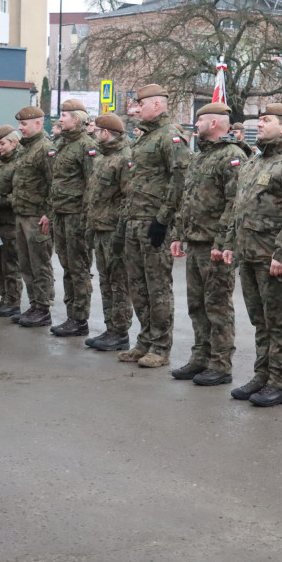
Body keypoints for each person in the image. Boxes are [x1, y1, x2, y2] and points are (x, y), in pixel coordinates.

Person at [224, 103, 282, 406]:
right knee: (260, 320)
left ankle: (279, 382)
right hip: (249, 254)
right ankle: (262, 376)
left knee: (279, 322)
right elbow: (239, 206)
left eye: (266, 120)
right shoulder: (256, 160)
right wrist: (231, 244)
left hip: (272, 256)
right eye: (259, 119)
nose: (259, 124)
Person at [169, 102, 246, 385]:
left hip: (215, 244)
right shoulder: (199, 157)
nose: (195, 125)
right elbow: (186, 200)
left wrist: (223, 241)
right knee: (197, 305)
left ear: (214, 123)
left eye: (199, 121)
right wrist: (178, 235)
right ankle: (200, 358)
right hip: (196, 241)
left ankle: (220, 364)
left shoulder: (232, 156)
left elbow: (234, 202)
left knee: (217, 306)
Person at [116, 84, 190, 368]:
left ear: (157, 105)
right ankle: (144, 341)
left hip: (154, 223)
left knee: (157, 287)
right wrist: (125, 219)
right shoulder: (145, 138)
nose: (136, 109)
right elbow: (135, 184)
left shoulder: (170, 137)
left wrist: (164, 219)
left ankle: (160, 346)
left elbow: (179, 180)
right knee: (138, 286)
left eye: (141, 104)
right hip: (134, 220)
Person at [47, 99, 98, 337]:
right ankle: (71, 315)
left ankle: (80, 318)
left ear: (76, 119)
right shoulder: (62, 144)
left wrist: (87, 218)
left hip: (76, 215)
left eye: (64, 115)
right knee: (67, 266)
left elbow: (92, 184)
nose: (60, 119)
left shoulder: (86, 146)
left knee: (79, 268)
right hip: (60, 213)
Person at [84, 114, 133, 351]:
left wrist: (121, 231)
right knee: (105, 282)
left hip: (114, 230)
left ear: (105, 132)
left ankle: (120, 331)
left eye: (97, 130)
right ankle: (110, 328)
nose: (94, 133)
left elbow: (127, 197)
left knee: (118, 283)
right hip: (100, 229)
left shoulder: (124, 158)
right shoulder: (103, 158)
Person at [9, 105, 56, 327]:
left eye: (24, 124)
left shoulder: (45, 148)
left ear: (38, 123)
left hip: (37, 217)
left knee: (40, 264)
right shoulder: (25, 148)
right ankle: (34, 304)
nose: (20, 128)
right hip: (22, 214)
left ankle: (43, 307)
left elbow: (54, 184)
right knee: (26, 264)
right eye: (19, 124)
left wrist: (49, 213)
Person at [0, 125, 25, 318]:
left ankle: (13, 301)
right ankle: (2, 298)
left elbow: (17, 197)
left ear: (14, 143)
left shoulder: (19, 165)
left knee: (10, 263)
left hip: (10, 222)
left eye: (2, 143)